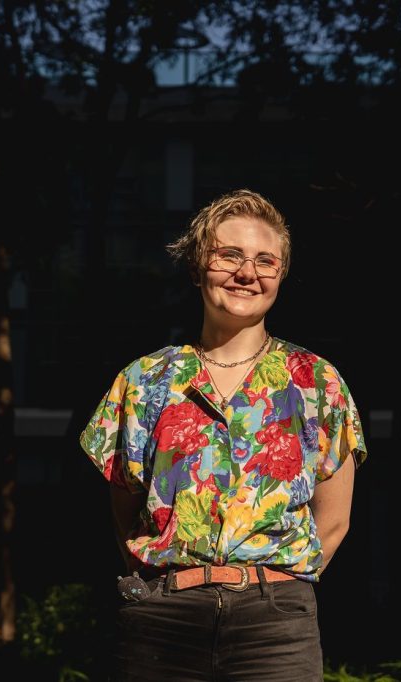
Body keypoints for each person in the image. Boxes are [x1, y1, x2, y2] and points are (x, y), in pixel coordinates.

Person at [79, 188, 368, 681]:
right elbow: (124, 508)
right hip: (163, 621)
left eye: (265, 261)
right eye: (229, 255)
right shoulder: (145, 380)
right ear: (197, 268)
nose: (247, 273)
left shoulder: (316, 382)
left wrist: (276, 588)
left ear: (280, 274)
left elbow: (334, 520)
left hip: (277, 627)